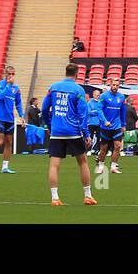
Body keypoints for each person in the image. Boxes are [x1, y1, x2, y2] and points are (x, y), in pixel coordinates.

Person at [42, 64, 95, 206]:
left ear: (65, 72)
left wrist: (49, 125)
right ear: (77, 74)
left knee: (54, 165)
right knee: (82, 162)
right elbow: (83, 113)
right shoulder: (78, 89)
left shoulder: (53, 87)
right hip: (73, 131)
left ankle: (54, 198)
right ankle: (88, 196)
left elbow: (44, 108)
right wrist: (86, 133)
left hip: (57, 131)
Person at [0, 66, 23, 175]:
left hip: (10, 119)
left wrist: (21, 115)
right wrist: (8, 85)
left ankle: (5, 167)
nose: (11, 76)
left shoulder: (16, 88)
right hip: (0, 118)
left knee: (8, 143)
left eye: (13, 74)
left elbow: (19, 103)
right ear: (5, 74)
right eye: (9, 74)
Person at [95, 77, 129, 175]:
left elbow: (123, 111)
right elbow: (99, 110)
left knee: (118, 146)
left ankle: (113, 167)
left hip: (117, 126)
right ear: (110, 85)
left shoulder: (121, 97)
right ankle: (101, 166)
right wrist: (105, 121)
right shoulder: (104, 96)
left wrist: (123, 125)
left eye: (117, 85)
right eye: (113, 85)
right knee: (104, 148)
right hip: (105, 126)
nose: (115, 87)